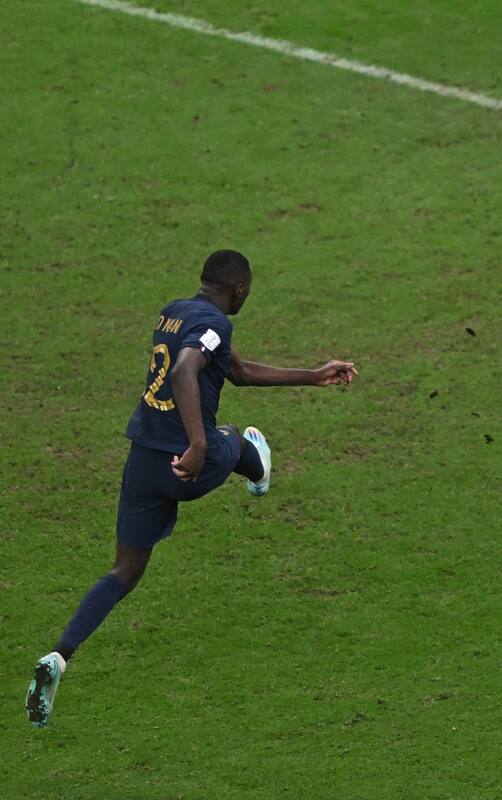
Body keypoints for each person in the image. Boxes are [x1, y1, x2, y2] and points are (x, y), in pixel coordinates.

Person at [26, 249, 359, 728]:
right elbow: (185, 371)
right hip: (187, 465)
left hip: (142, 460)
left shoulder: (174, 312)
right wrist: (199, 445)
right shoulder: (217, 325)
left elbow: (236, 371)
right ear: (240, 289)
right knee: (231, 438)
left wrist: (313, 375)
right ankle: (254, 462)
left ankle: (59, 655)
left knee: (124, 570)